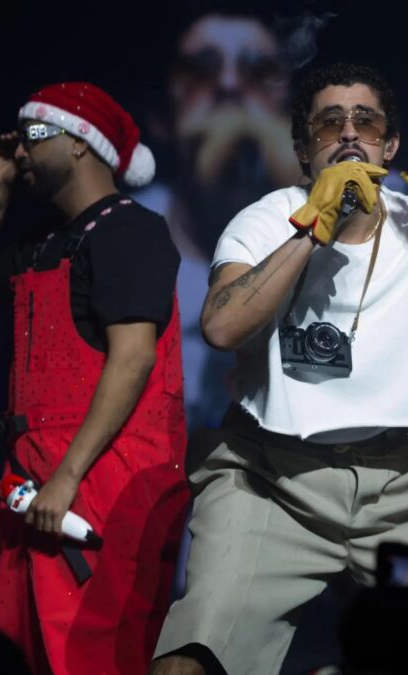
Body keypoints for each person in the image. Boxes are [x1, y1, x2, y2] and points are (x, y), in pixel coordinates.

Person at [150, 63, 408, 675]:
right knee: (192, 659)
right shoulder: (267, 220)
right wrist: (311, 231)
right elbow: (220, 327)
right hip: (273, 487)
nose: (349, 134)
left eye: (366, 123)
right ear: (303, 148)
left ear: (389, 145)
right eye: (329, 123)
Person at [0, 82, 189, 674]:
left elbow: (133, 359)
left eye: (33, 134)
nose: (20, 149)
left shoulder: (130, 231)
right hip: (35, 481)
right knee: (16, 652)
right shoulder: (43, 244)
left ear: (81, 142)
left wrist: (67, 478)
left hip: (101, 481)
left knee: (90, 655)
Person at [136, 9, 302, 430]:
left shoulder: (363, 207)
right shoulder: (125, 234)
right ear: (160, 115)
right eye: (202, 71)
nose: (229, 87)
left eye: (259, 73)